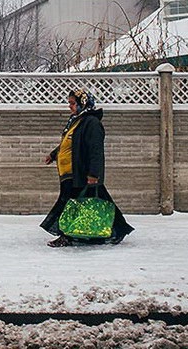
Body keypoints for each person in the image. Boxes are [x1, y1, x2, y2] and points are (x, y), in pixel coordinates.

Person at [41, 88, 134, 247]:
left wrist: (93, 173)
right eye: (69, 103)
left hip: (80, 173)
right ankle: (119, 229)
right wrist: (54, 154)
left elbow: (95, 150)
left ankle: (66, 236)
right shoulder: (77, 120)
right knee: (100, 200)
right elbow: (70, 144)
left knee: (68, 204)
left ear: (82, 103)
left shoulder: (92, 123)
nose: (69, 106)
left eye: (72, 103)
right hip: (70, 172)